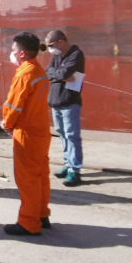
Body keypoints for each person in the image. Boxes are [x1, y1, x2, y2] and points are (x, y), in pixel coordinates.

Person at [2, 32, 52, 236]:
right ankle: (41, 214)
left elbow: (14, 105)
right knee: (40, 176)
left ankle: (29, 222)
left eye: (13, 50)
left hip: (27, 133)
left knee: (27, 179)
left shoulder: (25, 74)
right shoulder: (39, 70)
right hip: (40, 131)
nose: (11, 53)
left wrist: (7, 123)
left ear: (21, 53)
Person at [45, 29, 85, 187]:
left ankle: (75, 170)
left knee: (72, 135)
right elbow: (48, 72)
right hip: (56, 101)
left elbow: (65, 72)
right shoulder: (56, 56)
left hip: (69, 101)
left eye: (51, 45)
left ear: (61, 41)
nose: (50, 49)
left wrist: (59, 75)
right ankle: (68, 164)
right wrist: (59, 75)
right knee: (62, 134)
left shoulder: (76, 54)